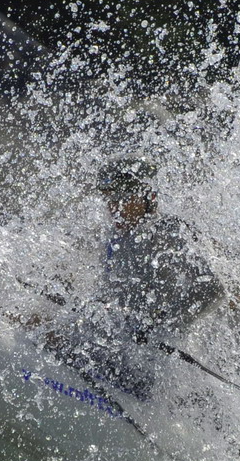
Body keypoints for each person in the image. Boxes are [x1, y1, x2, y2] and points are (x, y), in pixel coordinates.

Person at [47, 158, 224, 399]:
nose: (114, 208)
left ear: (148, 197)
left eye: (122, 199)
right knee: (44, 328)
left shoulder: (167, 232)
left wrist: (161, 326)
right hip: (118, 347)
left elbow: (212, 290)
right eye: (109, 200)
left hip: (149, 363)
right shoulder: (115, 237)